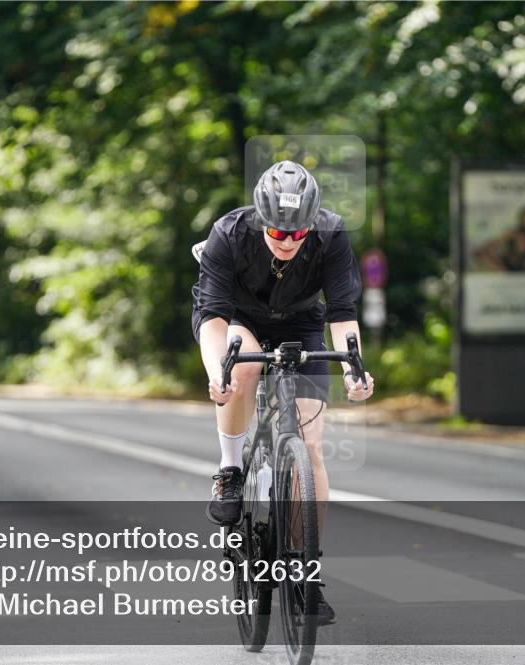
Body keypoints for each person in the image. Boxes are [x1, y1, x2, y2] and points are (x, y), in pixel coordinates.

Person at [191, 160, 375, 624]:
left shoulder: (331, 234)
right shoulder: (228, 234)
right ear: (260, 217)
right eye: (278, 233)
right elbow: (212, 318)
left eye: (298, 234)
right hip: (237, 318)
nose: (288, 242)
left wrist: (354, 367)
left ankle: (306, 573)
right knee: (244, 368)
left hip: (301, 321)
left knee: (311, 451)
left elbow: (341, 311)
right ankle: (231, 468)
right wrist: (219, 372)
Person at [472, 205, 525, 272]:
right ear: (522, 222)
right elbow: (489, 246)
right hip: (504, 266)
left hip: (519, 269)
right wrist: (500, 266)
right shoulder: (513, 233)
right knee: (481, 254)